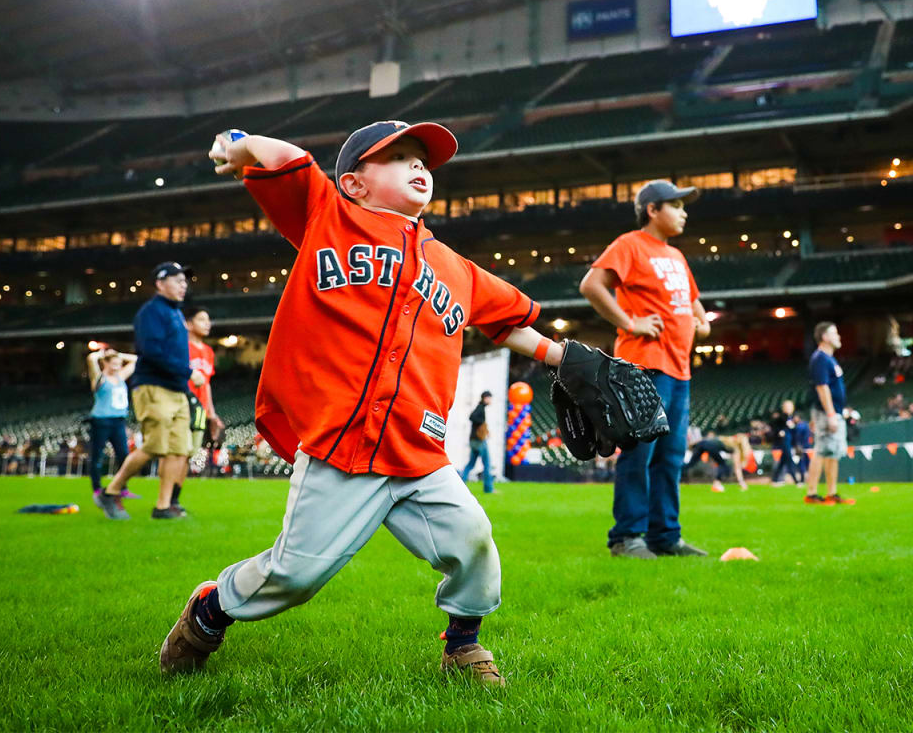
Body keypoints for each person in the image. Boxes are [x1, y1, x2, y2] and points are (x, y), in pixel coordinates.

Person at [158, 122, 590, 685]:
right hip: (343, 443)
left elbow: (509, 324)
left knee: (474, 541)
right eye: (400, 157)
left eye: (424, 161)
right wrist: (242, 147)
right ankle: (207, 613)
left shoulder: (455, 267)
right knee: (294, 576)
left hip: (419, 449)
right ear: (355, 183)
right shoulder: (328, 217)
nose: (419, 167)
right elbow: (289, 157)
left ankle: (463, 645)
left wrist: (567, 358)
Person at [580, 179, 711, 559]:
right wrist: (629, 322)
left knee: (671, 458)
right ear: (652, 210)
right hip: (644, 367)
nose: (684, 212)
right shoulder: (630, 244)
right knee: (640, 454)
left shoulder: (677, 257)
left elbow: (694, 301)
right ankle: (626, 537)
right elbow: (592, 285)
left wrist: (703, 322)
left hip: (679, 368)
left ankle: (665, 537)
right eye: (677, 205)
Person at [97, 262, 195, 520]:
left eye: (185, 281)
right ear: (160, 284)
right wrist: (187, 372)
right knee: (154, 445)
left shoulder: (175, 312)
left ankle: (163, 506)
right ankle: (111, 491)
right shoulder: (151, 311)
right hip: (154, 386)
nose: (183, 285)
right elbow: (151, 352)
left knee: (178, 449)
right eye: (177, 280)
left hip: (176, 389)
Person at [805, 321, 852, 505]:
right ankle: (812, 494)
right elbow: (822, 388)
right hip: (827, 413)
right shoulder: (820, 358)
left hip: (834, 412)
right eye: (835, 333)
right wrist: (831, 414)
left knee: (833, 452)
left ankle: (831, 493)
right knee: (821, 451)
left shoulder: (829, 359)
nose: (838, 336)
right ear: (824, 337)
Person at [86, 346, 137, 504]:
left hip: (118, 421)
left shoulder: (121, 376)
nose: (117, 366)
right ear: (105, 363)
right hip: (101, 421)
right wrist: (102, 354)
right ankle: (97, 488)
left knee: (124, 456)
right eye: (113, 363)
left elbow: (137, 360)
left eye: (119, 363)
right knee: (97, 456)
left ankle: (122, 487)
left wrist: (119, 354)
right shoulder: (99, 378)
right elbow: (91, 359)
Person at [185, 306, 225, 498]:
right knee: (178, 450)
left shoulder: (208, 351)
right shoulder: (182, 346)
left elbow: (206, 384)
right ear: (188, 323)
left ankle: (175, 493)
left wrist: (212, 413)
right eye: (202, 319)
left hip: (200, 408)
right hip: (182, 403)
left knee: (190, 450)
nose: (207, 323)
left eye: (208, 320)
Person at [460, 391, 495, 494]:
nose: (490, 400)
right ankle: (489, 489)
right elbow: (472, 417)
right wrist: (482, 424)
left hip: (474, 441)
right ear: (485, 398)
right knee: (487, 464)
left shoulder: (480, 408)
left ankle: (461, 485)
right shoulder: (480, 408)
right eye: (489, 398)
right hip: (479, 441)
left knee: (470, 464)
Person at [771, 400, 809, 487]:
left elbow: (795, 431)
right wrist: (781, 431)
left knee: (782, 461)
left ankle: (775, 480)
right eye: (786, 407)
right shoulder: (780, 418)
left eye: (790, 407)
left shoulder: (793, 418)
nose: (788, 409)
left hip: (792, 442)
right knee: (789, 461)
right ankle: (797, 481)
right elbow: (775, 428)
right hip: (784, 442)